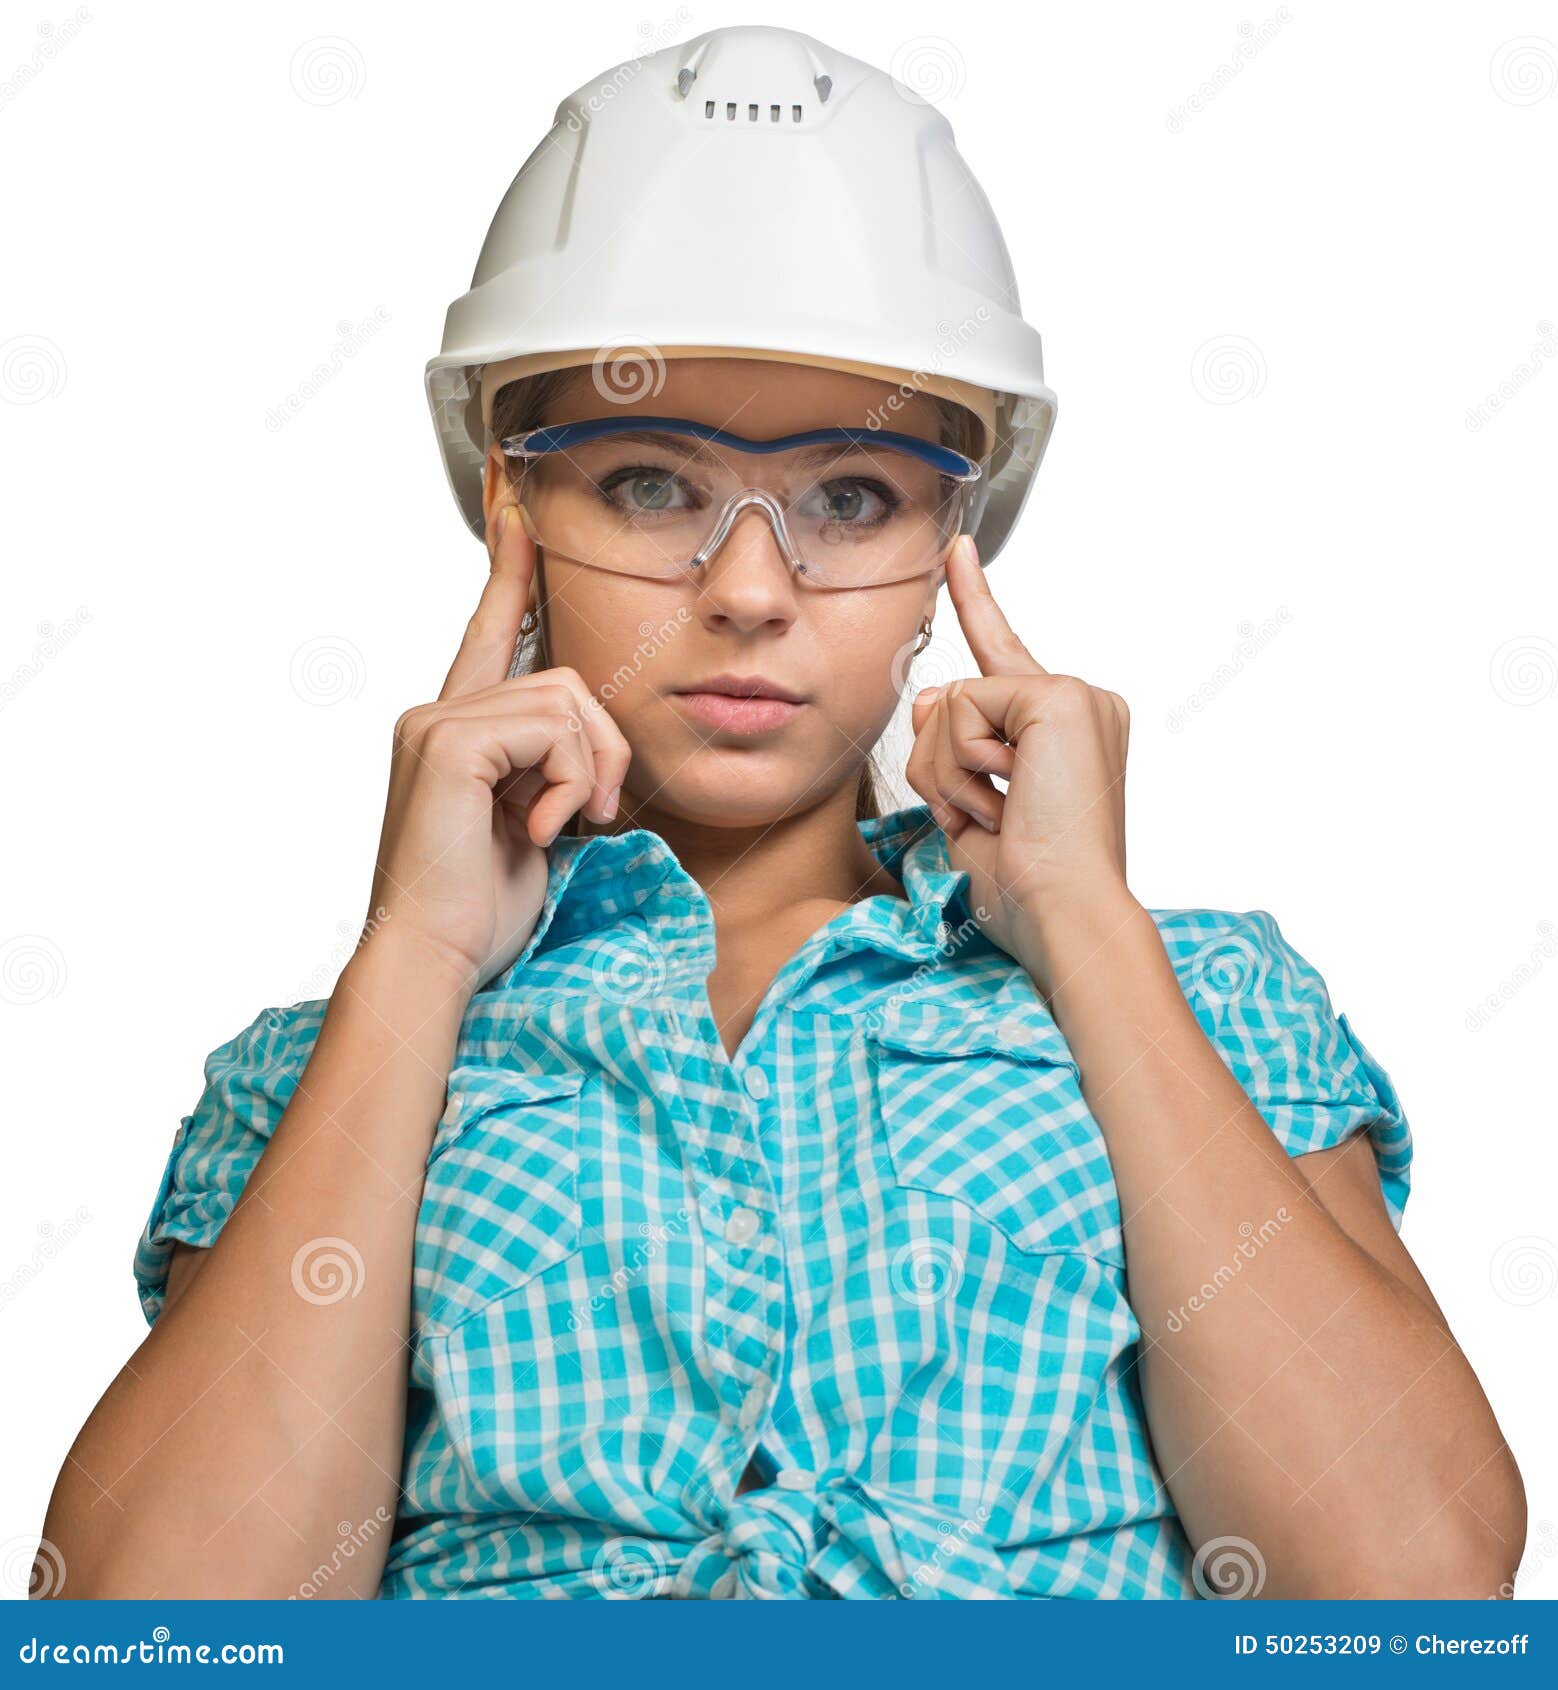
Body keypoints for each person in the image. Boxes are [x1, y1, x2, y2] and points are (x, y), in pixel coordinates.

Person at [40, 25, 1522, 1600]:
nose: (750, 591)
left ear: (957, 543)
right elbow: (156, 1635)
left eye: (854, 496)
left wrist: (1083, 924)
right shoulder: (323, 1073)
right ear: (511, 513)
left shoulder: (1204, 1003)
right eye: (647, 483)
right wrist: (413, 954)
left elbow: (1406, 1595)